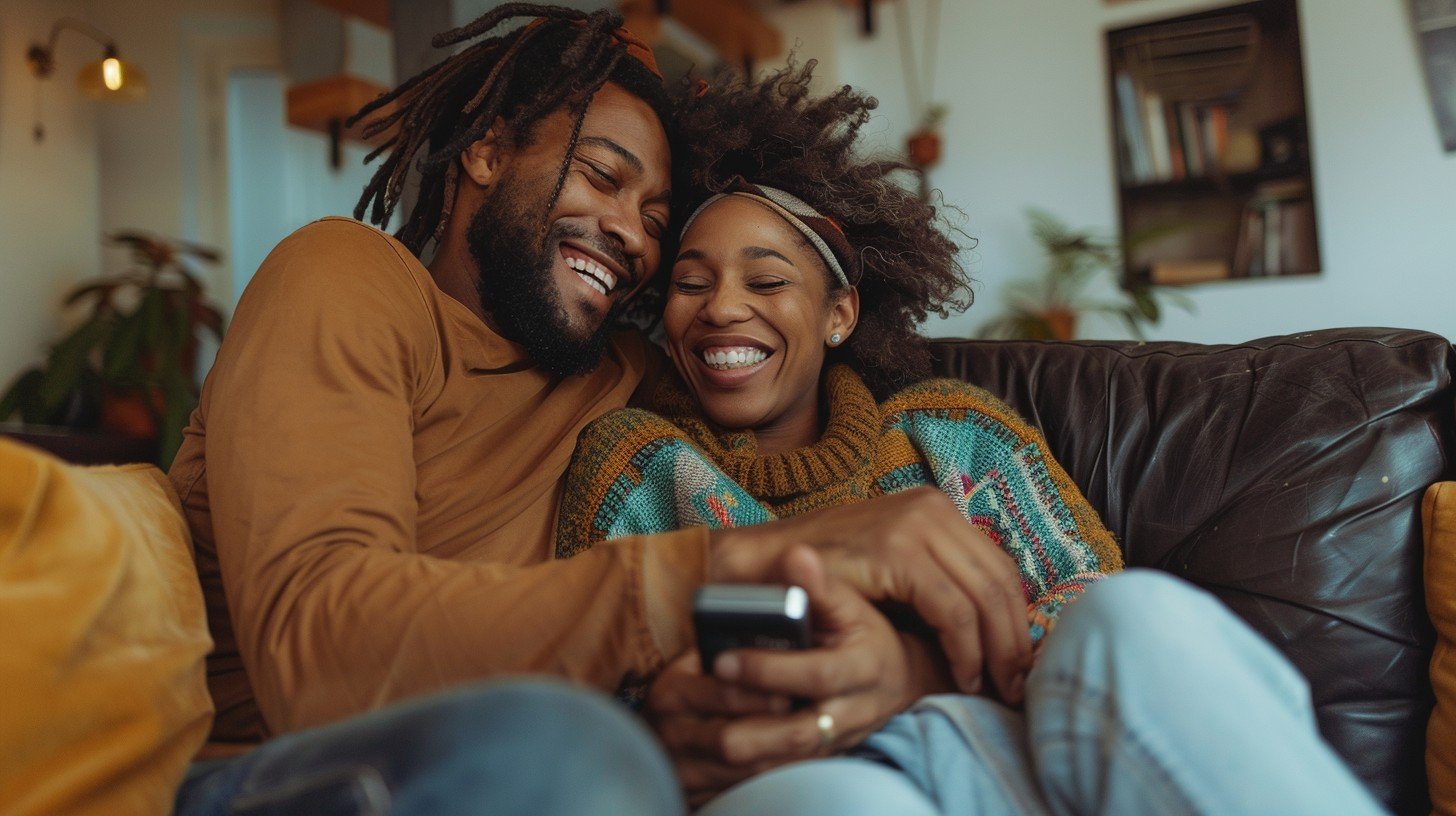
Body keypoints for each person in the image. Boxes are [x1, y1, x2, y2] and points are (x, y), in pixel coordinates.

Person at [168, 5, 1032, 811]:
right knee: (579, 748)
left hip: (534, 752)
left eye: (657, 218)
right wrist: (717, 573)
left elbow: (795, 441)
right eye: (602, 178)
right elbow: (315, 659)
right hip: (274, 769)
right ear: (488, 152)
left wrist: (901, 667)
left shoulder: (616, 372)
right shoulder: (347, 278)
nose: (631, 234)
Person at [555, 64, 1391, 815]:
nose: (722, 308)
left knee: (1134, 616)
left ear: (839, 314)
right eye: (689, 284)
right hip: (810, 776)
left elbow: (1076, 597)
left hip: (1010, 753)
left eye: (767, 281)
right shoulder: (637, 466)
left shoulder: (951, 435)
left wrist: (910, 669)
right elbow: (602, 694)